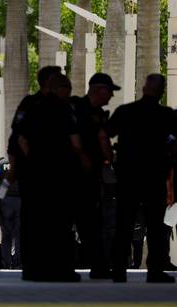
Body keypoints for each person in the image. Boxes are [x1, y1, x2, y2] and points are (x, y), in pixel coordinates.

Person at [106, 74, 177, 283]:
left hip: (128, 176)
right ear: (162, 91)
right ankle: (154, 271)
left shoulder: (126, 112)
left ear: (144, 88)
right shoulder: (167, 115)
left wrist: (110, 158)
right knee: (155, 226)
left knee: (124, 224)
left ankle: (119, 269)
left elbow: (104, 133)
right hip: (155, 177)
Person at [16, 73, 81, 282]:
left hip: (36, 174)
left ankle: (32, 269)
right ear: (60, 89)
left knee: (34, 222)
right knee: (60, 223)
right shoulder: (64, 109)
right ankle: (61, 269)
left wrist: (32, 162)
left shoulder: (31, 107)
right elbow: (75, 141)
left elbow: (21, 138)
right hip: (59, 174)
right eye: (67, 90)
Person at [68, 73, 117, 278]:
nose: (111, 97)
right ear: (99, 90)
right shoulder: (78, 108)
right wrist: (108, 159)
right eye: (109, 92)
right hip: (75, 175)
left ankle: (97, 266)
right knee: (85, 223)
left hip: (87, 177)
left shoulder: (94, 112)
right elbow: (101, 138)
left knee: (89, 223)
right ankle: (94, 267)